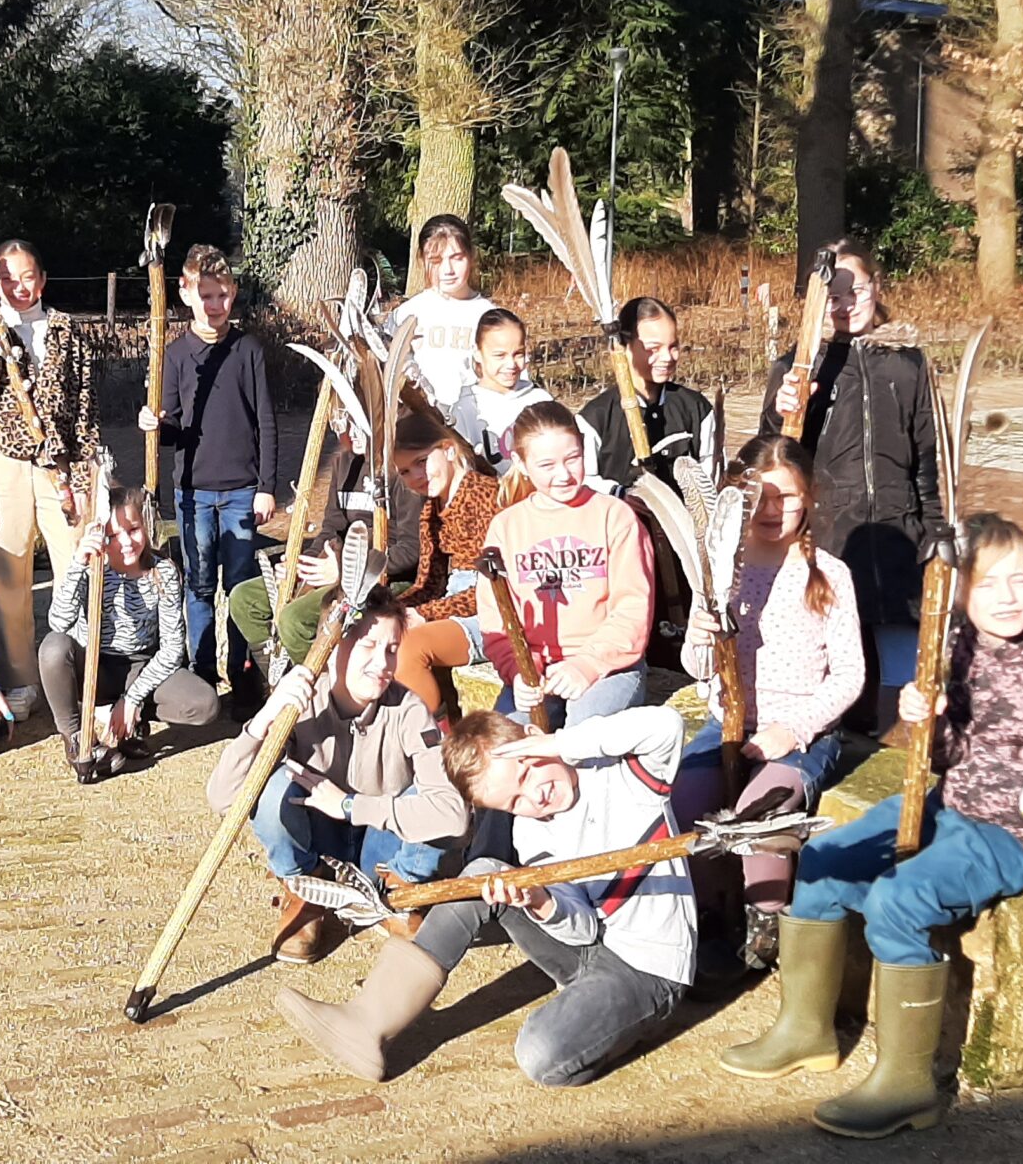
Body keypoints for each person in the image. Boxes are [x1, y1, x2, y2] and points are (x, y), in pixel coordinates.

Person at [718, 513, 1023, 1139]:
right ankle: (806, 1030)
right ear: (962, 593)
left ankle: (907, 1084)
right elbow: (946, 757)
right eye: (988, 585)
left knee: (899, 900)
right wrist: (924, 719)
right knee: (823, 861)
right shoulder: (958, 639)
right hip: (953, 801)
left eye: (1020, 580)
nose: (1008, 598)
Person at [276, 706, 693, 1085]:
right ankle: (368, 1021)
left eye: (528, 772)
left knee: (541, 1056)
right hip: (589, 948)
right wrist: (542, 903)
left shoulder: (627, 775)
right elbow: (582, 931)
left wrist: (559, 743)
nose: (535, 796)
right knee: (483, 876)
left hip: (647, 966)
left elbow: (666, 725)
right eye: (514, 802)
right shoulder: (532, 833)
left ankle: (623, 1020)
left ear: (535, 738)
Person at [669, 434, 863, 969]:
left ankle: (763, 925)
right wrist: (703, 639)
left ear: (811, 498)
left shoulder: (829, 576)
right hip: (725, 728)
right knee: (685, 807)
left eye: (789, 498)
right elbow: (695, 665)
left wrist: (793, 731)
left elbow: (850, 676)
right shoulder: (720, 572)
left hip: (799, 736)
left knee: (763, 820)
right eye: (761, 498)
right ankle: (709, 915)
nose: (774, 511)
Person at [207, 593, 464, 966]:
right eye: (369, 646)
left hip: (382, 847)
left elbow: (454, 815)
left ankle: (399, 893)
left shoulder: (409, 710)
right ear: (334, 646)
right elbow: (223, 799)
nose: (383, 664)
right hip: (317, 841)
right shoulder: (301, 703)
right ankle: (304, 890)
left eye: (392, 649)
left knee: (432, 797)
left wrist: (349, 805)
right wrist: (264, 718)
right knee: (274, 785)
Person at [758, 239, 939, 731]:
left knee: (902, 673)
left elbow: (928, 452)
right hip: (834, 539)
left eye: (853, 288)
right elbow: (773, 458)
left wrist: (936, 530)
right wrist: (785, 409)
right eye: (830, 293)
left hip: (899, 539)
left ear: (875, 287)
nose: (843, 302)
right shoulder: (799, 365)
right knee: (839, 664)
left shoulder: (908, 362)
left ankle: (893, 759)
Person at [0, 240, 100, 722]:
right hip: (4, 459)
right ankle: (20, 677)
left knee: (75, 564)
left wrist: (81, 471)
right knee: (6, 567)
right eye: (9, 277)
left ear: (43, 277)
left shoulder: (65, 329)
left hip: (59, 461)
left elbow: (83, 404)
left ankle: (73, 672)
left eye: (28, 276)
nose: (20, 286)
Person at [142, 247, 276, 693]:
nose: (214, 305)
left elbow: (265, 422)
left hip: (241, 489)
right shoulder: (175, 355)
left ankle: (242, 672)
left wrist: (266, 486)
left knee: (240, 587)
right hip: (193, 492)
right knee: (198, 586)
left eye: (221, 295)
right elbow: (173, 428)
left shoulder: (248, 350)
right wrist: (155, 426)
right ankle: (201, 674)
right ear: (185, 293)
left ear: (233, 294)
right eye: (205, 295)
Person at [225, 416, 421, 712]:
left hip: (378, 578)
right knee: (244, 598)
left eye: (359, 424)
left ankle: (327, 701)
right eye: (342, 423)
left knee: (295, 619)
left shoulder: (399, 471)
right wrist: (301, 564)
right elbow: (330, 529)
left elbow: (410, 551)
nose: (350, 433)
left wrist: (346, 570)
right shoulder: (344, 464)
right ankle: (279, 684)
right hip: (335, 568)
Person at [481, 402, 655, 728]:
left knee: (584, 734)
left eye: (572, 459)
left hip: (609, 665)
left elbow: (633, 608)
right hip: (537, 669)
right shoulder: (506, 528)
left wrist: (587, 664)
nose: (563, 475)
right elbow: (497, 617)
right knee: (509, 741)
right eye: (546, 465)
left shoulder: (614, 516)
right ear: (520, 462)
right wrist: (518, 671)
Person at [38, 485, 222, 781]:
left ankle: (129, 722)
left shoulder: (163, 572)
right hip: (96, 665)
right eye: (112, 535)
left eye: (133, 529)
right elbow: (58, 622)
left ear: (144, 526)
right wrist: (77, 565)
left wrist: (132, 699)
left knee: (205, 704)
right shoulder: (91, 568)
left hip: (141, 665)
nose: (125, 542)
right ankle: (75, 738)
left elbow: (173, 648)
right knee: (53, 648)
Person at [382, 410, 502, 720]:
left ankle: (432, 739)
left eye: (421, 462)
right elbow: (430, 583)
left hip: (492, 612)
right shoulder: (431, 511)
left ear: (448, 449)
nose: (415, 478)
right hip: (453, 603)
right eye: (405, 472)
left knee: (410, 646)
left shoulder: (487, 497)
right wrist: (394, 610)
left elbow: (492, 590)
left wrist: (424, 614)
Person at [579, 297, 713, 490]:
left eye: (673, 346)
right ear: (623, 347)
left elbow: (711, 474)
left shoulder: (696, 409)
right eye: (653, 349)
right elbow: (585, 483)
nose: (667, 357)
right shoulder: (596, 418)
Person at [449, 307, 600, 467]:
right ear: (477, 353)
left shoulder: (540, 399)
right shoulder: (465, 410)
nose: (511, 364)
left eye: (518, 354)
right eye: (500, 355)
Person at [388, 214, 492, 413]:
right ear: (421, 260)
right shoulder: (406, 315)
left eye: (457, 258)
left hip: (477, 430)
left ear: (471, 256)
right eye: (435, 260)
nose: (448, 270)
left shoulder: (490, 317)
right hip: (420, 429)